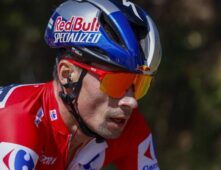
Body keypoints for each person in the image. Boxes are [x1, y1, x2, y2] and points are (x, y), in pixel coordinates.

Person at [0, 0, 161, 169]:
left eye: (139, 84)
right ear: (67, 75)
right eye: (117, 82)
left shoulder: (128, 125)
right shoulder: (17, 117)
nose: (131, 102)